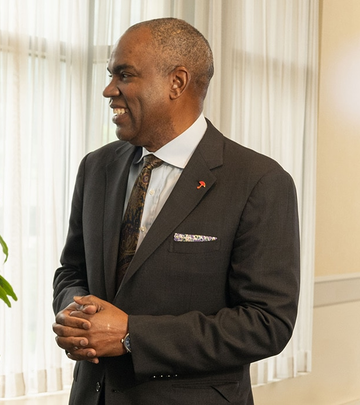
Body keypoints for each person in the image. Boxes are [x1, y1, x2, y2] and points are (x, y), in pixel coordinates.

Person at [51, 18, 300, 405]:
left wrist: (132, 335)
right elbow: (72, 270)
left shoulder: (259, 181)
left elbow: (267, 324)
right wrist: (76, 313)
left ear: (177, 82)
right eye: (110, 75)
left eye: (124, 75)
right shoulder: (96, 167)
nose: (109, 90)